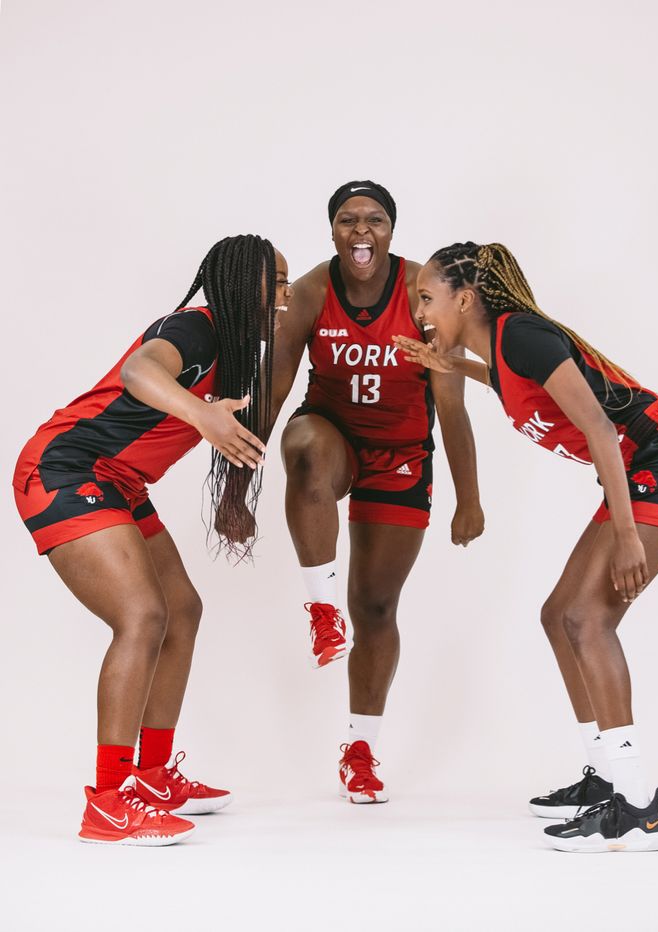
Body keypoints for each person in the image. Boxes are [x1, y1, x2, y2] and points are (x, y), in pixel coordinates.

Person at [394, 242, 658, 851]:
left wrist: (626, 536)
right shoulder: (502, 351)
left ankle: (639, 806)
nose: (422, 314)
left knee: (588, 619)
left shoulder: (523, 335)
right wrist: (451, 365)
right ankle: (605, 775)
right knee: (557, 615)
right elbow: (509, 385)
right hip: (639, 469)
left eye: (428, 300)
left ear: (465, 300)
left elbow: (597, 424)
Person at [13, 234, 292, 845]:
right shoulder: (194, 328)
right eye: (276, 282)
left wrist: (233, 501)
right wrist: (201, 413)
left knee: (183, 611)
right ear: (241, 285)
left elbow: (230, 438)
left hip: (121, 482)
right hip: (65, 469)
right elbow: (142, 370)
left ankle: (153, 776)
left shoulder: (240, 353)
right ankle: (108, 802)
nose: (285, 296)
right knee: (142, 616)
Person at [267, 182, 484, 803]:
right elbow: (277, 391)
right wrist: (238, 482)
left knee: (378, 609)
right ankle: (320, 610)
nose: (361, 231)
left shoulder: (423, 294)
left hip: (401, 453)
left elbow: (452, 406)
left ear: (392, 228)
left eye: (375, 220)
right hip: (331, 432)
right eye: (347, 220)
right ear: (331, 229)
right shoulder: (310, 291)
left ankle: (360, 751)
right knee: (305, 452)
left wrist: (469, 498)